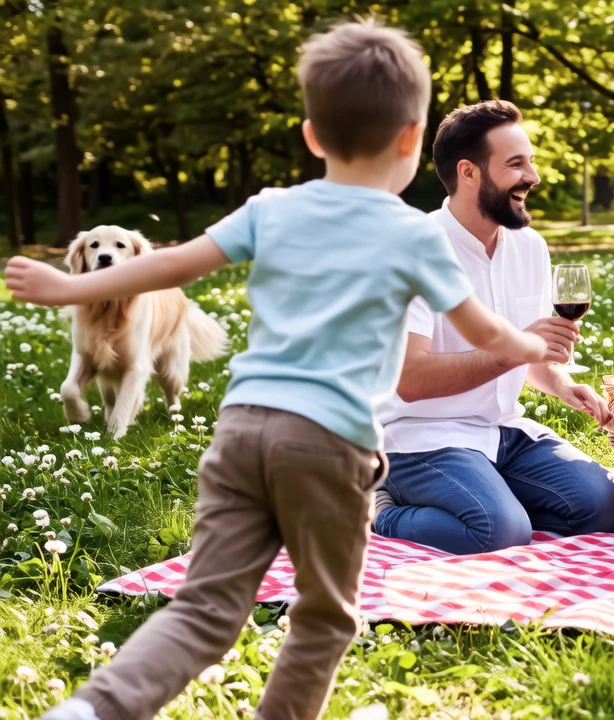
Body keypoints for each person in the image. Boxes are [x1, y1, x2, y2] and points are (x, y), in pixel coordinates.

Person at [5, 21, 551, 720]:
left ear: (313, 136)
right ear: (414, 139)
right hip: (329, 448)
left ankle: (89, 710)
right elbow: (483, 332)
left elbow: (171, 262)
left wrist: (67, 287)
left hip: (240, 434)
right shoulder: (415, 233)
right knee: (324, 618)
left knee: (204, 609)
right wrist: (531, 349)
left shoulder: (272, 209)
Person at [372, 100, 614, 554]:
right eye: (516, 164)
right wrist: (516, 348)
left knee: (605, 506)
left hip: (502, 431)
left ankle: (493, 496)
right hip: (422, 438)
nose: (533, 176)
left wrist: (563, 384)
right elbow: (409, 380)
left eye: (530, 161)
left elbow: (528, 358)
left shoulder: (529, 247)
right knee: (500, 531)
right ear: (469, 172)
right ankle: (382, 510)